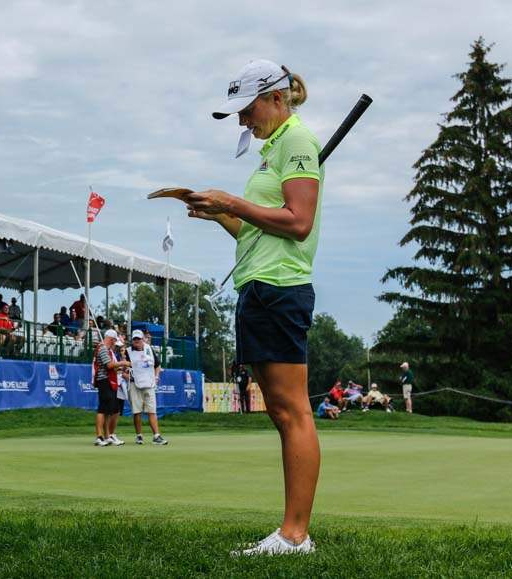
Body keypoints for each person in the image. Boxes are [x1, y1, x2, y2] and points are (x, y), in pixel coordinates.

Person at [186, 59, 319, 555]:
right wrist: (221, 214)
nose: (243, 120)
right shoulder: (274, 148)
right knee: (281, 413)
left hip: (281, 289)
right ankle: (291, 531)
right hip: (261, 286)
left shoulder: (297, 141)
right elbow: (258, 230)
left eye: (247, 109)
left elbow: (298, 222)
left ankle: (295, 534)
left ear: (275, 97)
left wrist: (235, 202)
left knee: (292, 413)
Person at [126, 329, 168, 445]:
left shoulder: (149, 349)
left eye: (138, 339)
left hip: (149, 384)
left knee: (152, 410)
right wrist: (126, 376)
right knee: (137, 411)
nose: (136, 341)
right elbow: (123, 368)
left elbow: (157, 365)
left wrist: (156, 377)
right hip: (135, 384)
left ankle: (156, 436)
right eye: (134, 339)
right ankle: (139, 436)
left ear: (143, 339)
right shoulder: (127, 351)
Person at [92, 329, 131, 447]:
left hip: (109, 381)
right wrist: (123, 363)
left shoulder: (107, 349)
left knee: (109, 410)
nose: (115, 343)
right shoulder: (103, 348)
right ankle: (99, 437)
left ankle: (107, 436)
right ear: (110, 339)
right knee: (102, 409)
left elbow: (111, 367)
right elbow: (109, 365)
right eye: (114, 340)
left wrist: (119, 367)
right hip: (104, 381)